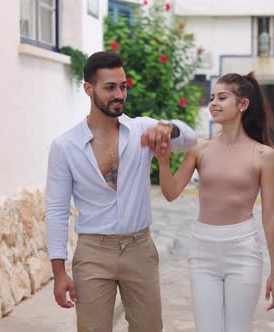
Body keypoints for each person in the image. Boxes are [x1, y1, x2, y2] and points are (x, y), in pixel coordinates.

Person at [45, 51, 197, 332]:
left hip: (139, 248)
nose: (119, 94)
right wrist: (59, 272)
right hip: (93, 251)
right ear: (88, 89)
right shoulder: (65, 146)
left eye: (123, 86)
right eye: (110, 87)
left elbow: (189, 139)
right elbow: (56, 210)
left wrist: (168, 128)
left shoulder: (142, 129)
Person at [154, 72, 274, 332]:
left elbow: (270, 216)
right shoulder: (199, 149)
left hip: (243, 251)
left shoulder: (264, 155)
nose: (213, 102)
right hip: (202, 251)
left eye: (222, 97)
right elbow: (171, 192)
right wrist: (164, 160)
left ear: (243, 104)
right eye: (212, 97)